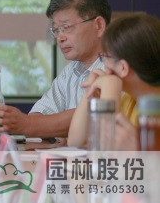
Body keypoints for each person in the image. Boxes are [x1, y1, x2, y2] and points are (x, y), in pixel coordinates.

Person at [0, 0, 110, 137]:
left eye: (66, 27)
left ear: (99, 26)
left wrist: (28, 124)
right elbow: (39, 114)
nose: (60, 38)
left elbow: (92, 116)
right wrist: (33, 125)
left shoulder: (118, 67)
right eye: (56, 30)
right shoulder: (70, 71)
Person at [67, 14, 160, 150]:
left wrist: (110, 87)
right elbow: (75, 140)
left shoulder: (152, 110)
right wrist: (90, 91)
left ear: (122, 68)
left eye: (105, 57)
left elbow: (106, 148)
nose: (103, 63)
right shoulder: (129, 99)